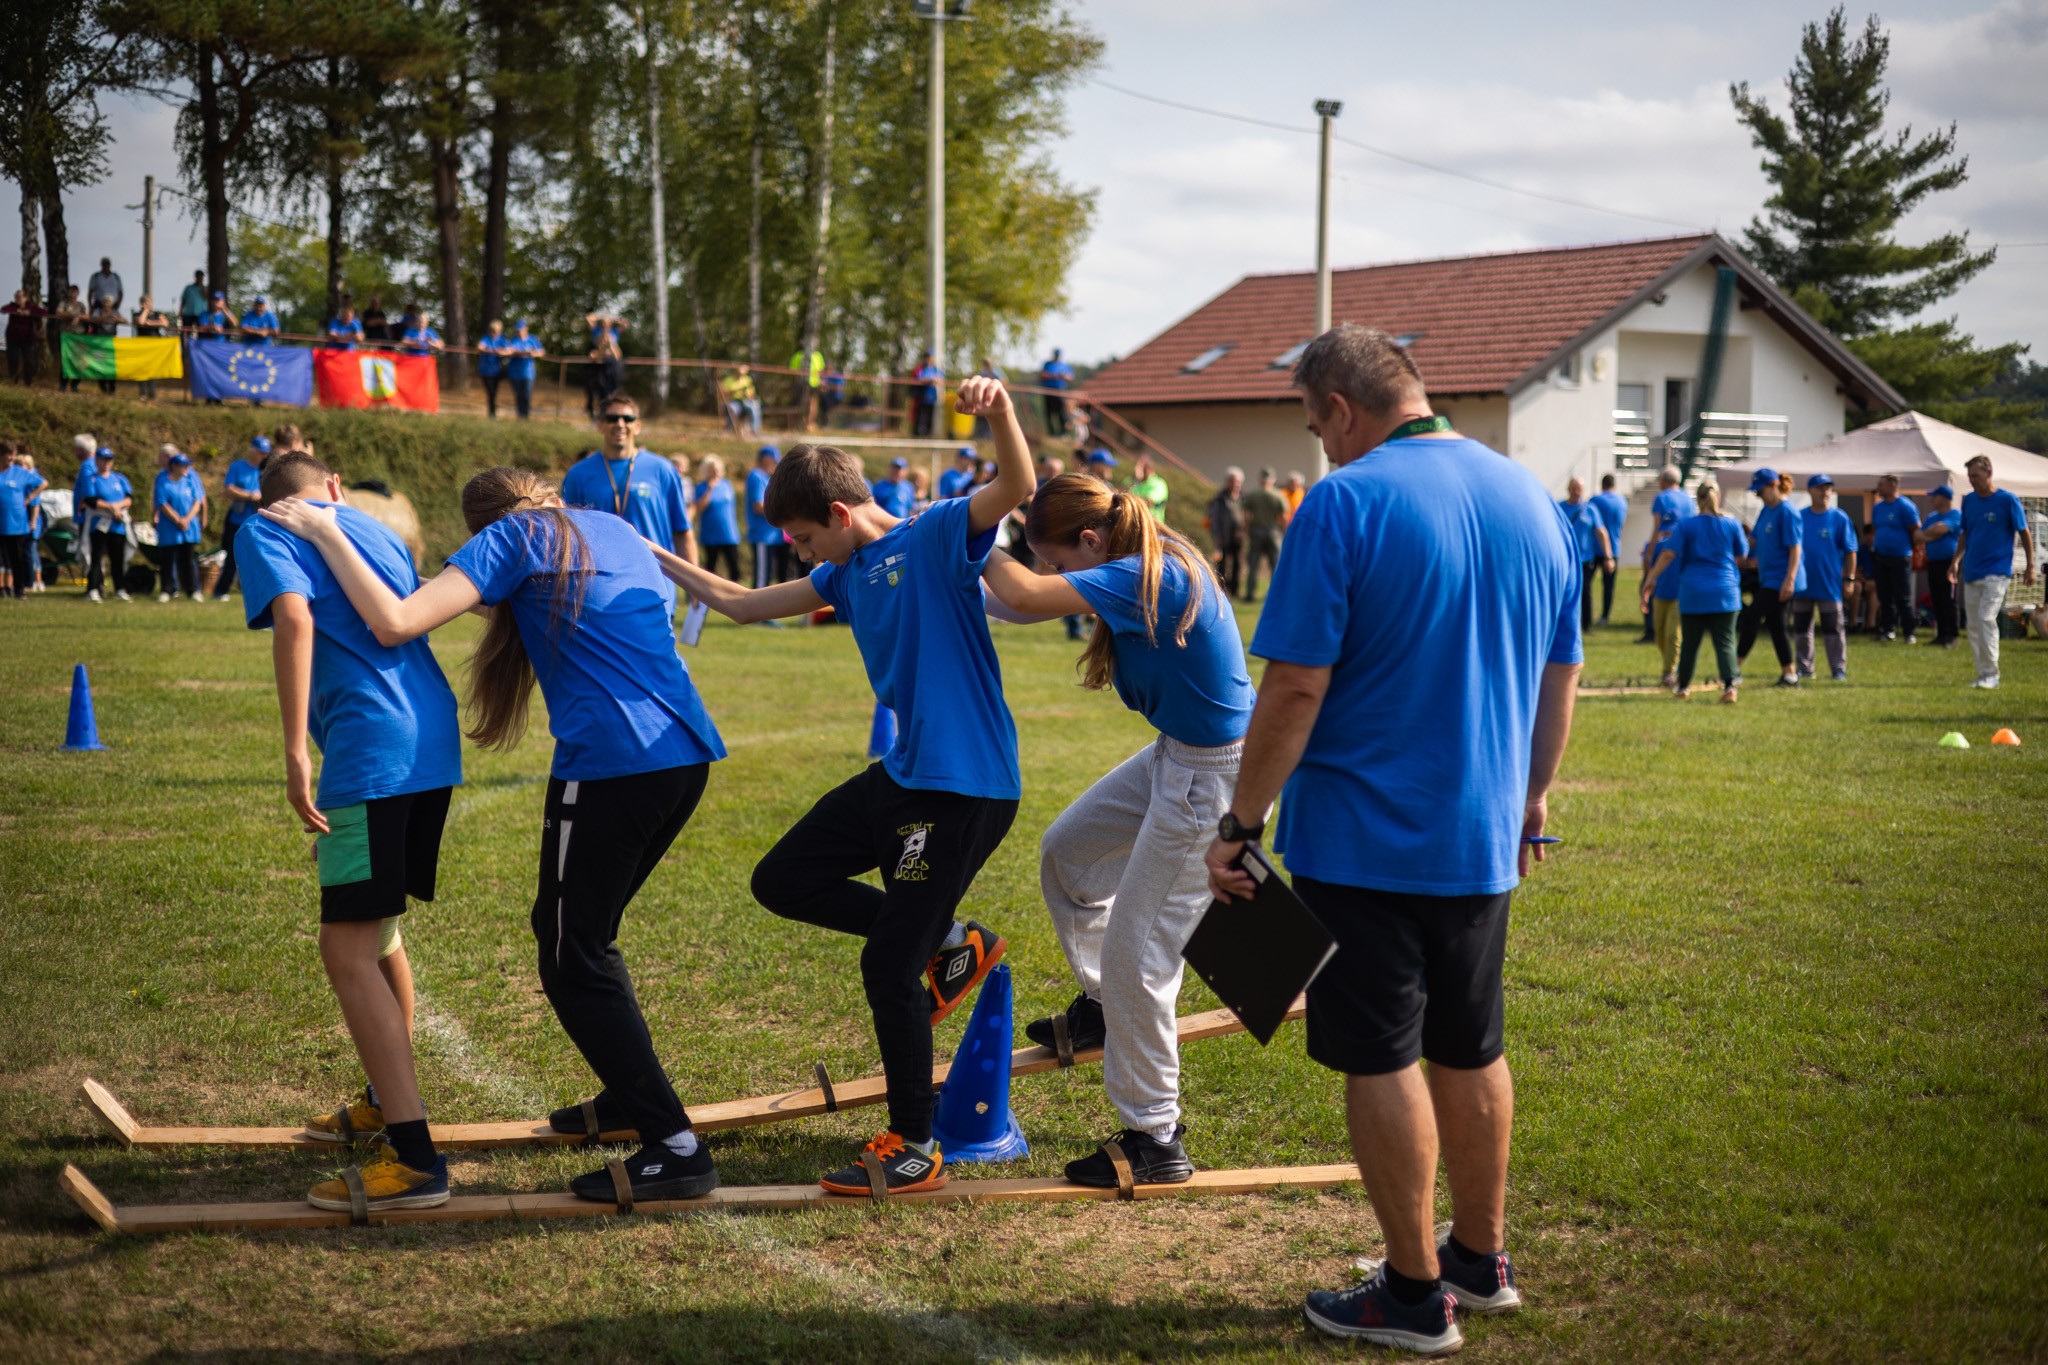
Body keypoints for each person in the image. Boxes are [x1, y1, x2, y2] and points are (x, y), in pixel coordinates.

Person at [1204, 324, 1579, 1353]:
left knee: (1381, 1056)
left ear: (1338, 409)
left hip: (1362, 839)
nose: (1322, 446)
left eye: (1315, 425)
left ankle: (1412, 1296)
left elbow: (1292, 686)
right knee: (1471, 1045)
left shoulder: (1345, 498)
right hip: (1479, 833)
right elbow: (1560, 679)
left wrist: (1239, 824)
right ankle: (1477, 1257)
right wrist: (1533, 798)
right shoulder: (1530, 498)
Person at [261, 463, 728, 1207]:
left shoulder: (513, 539)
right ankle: (626, 1096)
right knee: (577, 934)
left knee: (574, 956)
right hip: (684, 759)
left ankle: (674, 1144)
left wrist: (321, 528)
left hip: (612, 765)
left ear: (481, 525)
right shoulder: (606, 526)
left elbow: (395, 619)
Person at [643, 374, 1035, 1195]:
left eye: (801, 536)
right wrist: (643, 550)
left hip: (961, 788)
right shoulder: (843, 573)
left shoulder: (932, 537)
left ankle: (915, 1144)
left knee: (889, 967)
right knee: (781, 878)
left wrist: (999, 412)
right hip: (904, 775)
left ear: (839, 516)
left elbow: (1017, 487)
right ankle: (949, 939)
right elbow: (741, 603)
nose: (799, 552)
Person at [983, 472, 1254, 1187]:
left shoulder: (1149, 571)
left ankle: (1156, 1136)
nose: (1058, 579)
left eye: (1062, 564)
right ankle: (1105, 1008)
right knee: (1067, 853)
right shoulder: (1132, 559)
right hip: (1177, 754)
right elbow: (1007, 605)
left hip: (1209, 777)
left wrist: (963, 530)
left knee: (1142, 954)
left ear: (1092, 541)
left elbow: (1019, 594)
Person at [235, 450, 463, 1212]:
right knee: (380, 930)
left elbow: (295, 616)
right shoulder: (370, 523)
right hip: (431, 742)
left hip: (373, 750)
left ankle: (416, 1158)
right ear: (333, 485)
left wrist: (296, 750)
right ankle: (382, 1102)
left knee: (347, 948)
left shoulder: (265, 527)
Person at [557, 394, 696, 577]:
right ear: (600, 425)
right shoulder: (579, 474)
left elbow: (682, 530)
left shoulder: (662, 470)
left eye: (628, 419)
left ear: (637, 426)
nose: (620, 424)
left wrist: (696, 585)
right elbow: (566, 535)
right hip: (601, 582)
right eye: (612, 418)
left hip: (655, 580)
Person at [1642, 480, 1747, 703]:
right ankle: (1729, 687)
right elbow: (1742, 554)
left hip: (1694, 592)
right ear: (1718, 498)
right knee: (1726, 641)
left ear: (1698, 501)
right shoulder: (1731, 523)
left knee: (1690, 642)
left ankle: (1683, 688)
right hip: (1725, 591)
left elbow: (1669, 554)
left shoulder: (1687, 526)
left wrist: (1651, 578)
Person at [1952, 454, 2036, 690]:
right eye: (1969, 477)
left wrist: (2030, 566)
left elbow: (2024, 532)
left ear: (1989, 473)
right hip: (1972, 571)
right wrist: (1955, 561)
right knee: (1973, 624)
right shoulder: (1968, 501)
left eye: (1976, 476)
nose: (1972, 481)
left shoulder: (2007, 500)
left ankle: (1992, 674)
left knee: (1986, 618)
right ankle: (1982, 673)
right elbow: (1965, 534)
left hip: (1997, 572)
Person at [1734, 468, 1805, 689]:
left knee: (1751, 617)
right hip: (1768, 578)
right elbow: (1754, 541)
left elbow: (1795, 549)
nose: (1758, 496)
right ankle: (1790, 675)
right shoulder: (1767, 510)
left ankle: (1733, 670)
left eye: (1760, 491)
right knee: (1776, 626)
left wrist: (1789, 580)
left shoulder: (1787, 512)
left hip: (1781, 579)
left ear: (1773, 486)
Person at [1792, 474, 1857, 682]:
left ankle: (1838, 669)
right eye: (1820, 488)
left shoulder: (1839, 518)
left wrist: (1850, 579)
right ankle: (1804, 668)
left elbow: (1851, 550)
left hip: (1829, 584)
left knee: (1833, 629)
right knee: (1802, 629)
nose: (1825, 492)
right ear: (1810, 491)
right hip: (1803, 583)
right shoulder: (1799, 516)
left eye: (1828, 488)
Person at [214, 435, 271, 599]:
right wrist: (249, 495)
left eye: (265, 453)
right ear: (252, 451)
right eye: (260, 452)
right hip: (238, 518)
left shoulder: (265, 469)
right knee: (231, 557)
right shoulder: (238, 467)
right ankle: (221, 591)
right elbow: (228, 489)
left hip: (258, 520)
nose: (263, 456)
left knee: (257, 557)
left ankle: (255, 590)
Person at [1638, 465, 1688, 643]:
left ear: (1664, 480)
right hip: (1683, 549)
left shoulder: (1661, 498)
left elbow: (1657, 528)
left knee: (1649, 585)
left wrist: (1649, 551)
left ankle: (1652, 630)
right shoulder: (1688, 499)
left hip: (1664, 547)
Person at [1869, 473, 1921, 644]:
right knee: (1884, 596)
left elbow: (1915, 530)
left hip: (1900, 557)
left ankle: (1909, 632)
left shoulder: (1905, 506)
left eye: (1881, 484)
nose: (1878, 487)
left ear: (1892, 485)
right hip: (1881, 556)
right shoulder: (1878, 507)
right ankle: (1888, 629)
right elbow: (1877, 528)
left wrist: (1916, 551)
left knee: (1902, 596)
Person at [1558, 479, 1614, 632]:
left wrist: (1608, 557)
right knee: (1563, 591)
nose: (1577, 492)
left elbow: (1601, 532)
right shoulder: (1560, 507)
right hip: (1564, 558)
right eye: (1574, 488)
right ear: (1568, 489)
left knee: (1584, 590)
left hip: (1584, 558)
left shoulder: (1590, 509)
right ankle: (1563, 622)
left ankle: (1586, 624)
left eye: (1580, 489)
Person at [81, 445, 134, 602]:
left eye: (108, 460)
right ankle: (93, 588)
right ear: (97, 461)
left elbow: (129, 498)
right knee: (96, 557)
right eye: (103, 460)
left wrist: (117, 507)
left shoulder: (119, 478)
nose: (106, 463)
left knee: (117, 558)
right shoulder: (92, 479)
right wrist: (110, 507)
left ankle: (120, 588)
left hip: (117, 523)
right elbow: (91, 500)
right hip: (99, 524)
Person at [153, 451, 207, 601]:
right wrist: (178, 520)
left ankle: (193, 590)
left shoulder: (189, 481)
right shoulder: (164, 482)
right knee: (168, 560)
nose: (186, 468)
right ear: (174, 466)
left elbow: (197, 502)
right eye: (183, 465)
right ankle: (167, 589)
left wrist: (187, 519)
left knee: (188, 559)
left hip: (188, 527)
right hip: (170, 527)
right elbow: (162, 503)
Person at [1916, 484, 1963, 648]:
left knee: (1948, 599)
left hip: (1949, 563)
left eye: (1934, 496)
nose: (1932, 499)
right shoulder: (1931, 516)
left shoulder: (1956, 514)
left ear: (1943, 498)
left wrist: (1929, 534)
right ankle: (1941, 634)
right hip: (1933, 562)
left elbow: (1941, 530)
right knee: (1936, 598)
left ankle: (1951, 635)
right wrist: (1932, 534)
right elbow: (1917, 536)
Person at [0, 446, 46, 598]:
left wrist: (29, 497)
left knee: (17, 558)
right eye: (8, 455)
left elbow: (43, 483)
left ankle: (19, 590)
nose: (11, 459)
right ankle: (3, 589)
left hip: (17, 523)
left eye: (13, 455)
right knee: (2, 560)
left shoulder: (20, 473)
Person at [1240, 468, 1289, 604]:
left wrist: (1245, 528)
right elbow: (1283, 516)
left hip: (1256, 531)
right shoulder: (1278, 495)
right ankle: (1276, 595)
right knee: (1275, 565)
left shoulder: (1253, 495)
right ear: (1273, 480)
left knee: (1253, 564)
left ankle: (1250, 594)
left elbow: (1246, 514)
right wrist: (1285, 531)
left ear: (1260, 479)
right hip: (1273, 532)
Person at [693, 456, 742, 582]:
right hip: (710, 535)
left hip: (728, 533)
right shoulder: (701, 488)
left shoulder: (727, 485)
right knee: (710, 568)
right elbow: (698, 509)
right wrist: (710, 489)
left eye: (718, 469)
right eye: (712, 469)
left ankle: (736, 595)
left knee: (734, 566)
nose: (716, 472)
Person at [745, 446, 787, 589]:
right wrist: (784, 512)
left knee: (769, 574)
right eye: (774, 461)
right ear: (766, 459)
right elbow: (758, 506)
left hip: (773, 535)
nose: (775, 465)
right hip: (762, 535)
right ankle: (756, 609)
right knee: (762, 577)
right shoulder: (756, 475)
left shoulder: (768, 478)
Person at [1591, 473, 1629, 625]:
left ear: (1602, 485)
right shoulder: (1622, 501)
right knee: (1608, 585)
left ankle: (1583, 614)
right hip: (1614, 548)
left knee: (1586, 585)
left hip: (1595, 548)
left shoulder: (1596, 500)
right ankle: (1605, 616)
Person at [1205, 468, 1246, 599]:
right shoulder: (1220, 498)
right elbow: (1215, 519)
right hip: (1223, 536)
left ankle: (1235, 590)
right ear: (1228, 482)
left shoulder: (1243, 497)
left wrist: (1245, 530)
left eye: (1238, 481)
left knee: (1237, 564)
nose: (1236, 484)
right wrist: (1216, 536)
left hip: (1238, 536)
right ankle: (1221, 590)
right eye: (1234, 481)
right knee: (1222, 564)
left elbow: (1247, 516)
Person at [131, 295, 171, 400]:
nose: (147, 305)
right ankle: (142, 394)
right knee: (142, 370)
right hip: (142, 346)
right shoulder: (137, 314)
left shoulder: (158, 314)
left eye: (149, 303)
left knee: (153, 370)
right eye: (144, 303)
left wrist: (150, 323)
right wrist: (145, 312)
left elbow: (165, 323)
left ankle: (152, 394)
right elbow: (140, 322)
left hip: (154, 347)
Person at [5, 290, 48, 385]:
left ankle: (28, 381)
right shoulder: (12, 306)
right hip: (12, 338)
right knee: (13, 359)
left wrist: (29, 312)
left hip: (28, 338)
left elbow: (44, 312)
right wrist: (17, 311)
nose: (18, 299)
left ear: (25, 298)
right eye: (16, 297)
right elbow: (4, 309)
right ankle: (13, 380)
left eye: (20, 297)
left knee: (29, 361)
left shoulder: (31, 307)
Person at [51, 285, 87, 392]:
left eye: (75, 292)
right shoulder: (64, 303)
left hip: (78, 336)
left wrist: (79, 316)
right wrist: (72, 315)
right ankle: (63, 384)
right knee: (65, 361)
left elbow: (87, 316)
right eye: (71, 291)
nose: (73, 294)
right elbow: (59, 313)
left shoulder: (81, 305)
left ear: (78, 293)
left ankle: (75, 384)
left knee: (78, 361)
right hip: (66, 336)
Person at [85, 296, 123, 394]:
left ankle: (112, 388)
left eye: (109, 302)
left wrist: (117, 318)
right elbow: (92, 319)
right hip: (99, 343)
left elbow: (124, 320)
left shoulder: (115, 312)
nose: (107, 304)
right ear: (102, 303)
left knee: (110, 365)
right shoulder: (98, 311)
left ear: (112, 303)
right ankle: (103, 388)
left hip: (111, 343)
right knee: (100, 365)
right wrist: (104, 317)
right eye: (105, 302)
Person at [505, 320, 541, 419]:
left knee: (526, 394)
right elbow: (508, 350)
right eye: (517, 330)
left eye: (520, 330)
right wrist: (514, 352)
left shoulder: (532, 339)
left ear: (526, 329)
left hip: (528, 373)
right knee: (518, 394)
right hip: (514, 373)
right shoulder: (513, 340)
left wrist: (533, 353)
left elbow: (541, 352)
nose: (519, 332)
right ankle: (520, 415)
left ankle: (526, 415)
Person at [477, 320, 509, 417]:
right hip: (485, 370)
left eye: (496, 331)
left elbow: (509, 349)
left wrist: (501, 352)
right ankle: (492, 412)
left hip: (497, 370)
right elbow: (480, 347)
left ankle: (492, 411)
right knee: (490, 391)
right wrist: (488, 350)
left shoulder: (502, 339)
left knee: (494, 391)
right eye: (492, 331)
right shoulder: (486, 338)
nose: (493, 333)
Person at [1039, 348, 1074, 436]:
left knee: (1061, 411)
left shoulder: (1064, 365)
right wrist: (1054, 376)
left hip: (1059, 391)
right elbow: (1042, 374)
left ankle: (1063, 431)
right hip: (1048, 390)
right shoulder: (1047, 364)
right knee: (1049, 412)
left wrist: (1062, 376)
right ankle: (1051, 433)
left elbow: (1070, 377)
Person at [789, 345, 825, 428]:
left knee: (812, 404)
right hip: (803, 384)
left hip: (813, 384)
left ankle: (809, 423)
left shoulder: (817, 355)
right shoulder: (798, 355)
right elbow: (792, 371)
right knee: (804, 403)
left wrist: (821, 382)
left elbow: (821, 371)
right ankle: (802, 423)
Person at [720, 364, 762, 436]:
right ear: (736, 372)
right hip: (733, 401)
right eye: (739, 373)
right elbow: (723, 395)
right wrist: (735, 391)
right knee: (733, 409)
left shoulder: (747, 380)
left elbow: (752, 394)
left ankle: (754, 430)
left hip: (745, 401)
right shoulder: (728, 380)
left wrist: (747, 394)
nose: (741, 375)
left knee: (754, 407)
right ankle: (727, 429)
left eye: (743, 374)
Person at [909, 352, 943, 438]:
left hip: (931, 397)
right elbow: (919, 378)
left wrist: (935, 380)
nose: (929, 360)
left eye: (931, 358)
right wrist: (929, 380)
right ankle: (917, 434)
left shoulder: (935, 369)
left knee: (929, 416)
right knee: (919, 416)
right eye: (928, 358)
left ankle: (928, 434)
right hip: (921, 397)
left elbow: (941, 378)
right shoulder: (920, 369)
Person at [1130, 455, 1169, 523]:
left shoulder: (1159, 484)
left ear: (1149, 469)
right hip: (1132, 523)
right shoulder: (1131, 481)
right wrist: (1135, 482)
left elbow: (1149, 501)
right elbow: (1119, 493)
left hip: (1153, 526)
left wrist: (1129, 498)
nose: (1136, 469)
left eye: (1140, 467)